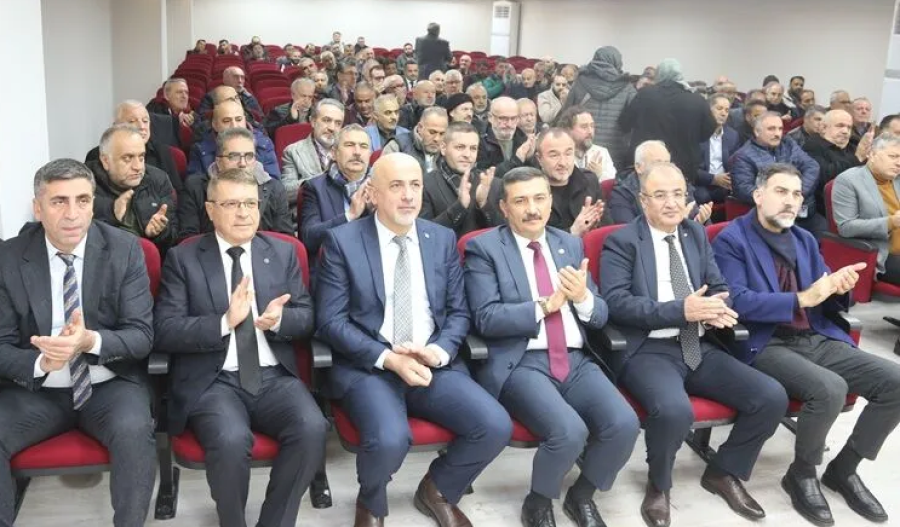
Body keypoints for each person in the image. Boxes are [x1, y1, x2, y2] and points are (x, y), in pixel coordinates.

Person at [315, 153, 512, 527]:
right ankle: (371, 503)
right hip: (370, 366)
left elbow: (459, 312)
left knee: (494, 425)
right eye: (396, 186)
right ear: (373, 193)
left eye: (415, 185)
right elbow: (330, 321)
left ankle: (438, 489)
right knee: (390, 439)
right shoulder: (342, 242)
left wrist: (438, 351)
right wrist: (389, 359)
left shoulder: (440, 239)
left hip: (430, 363)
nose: (408, 195)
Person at [600, 162, 788, 527]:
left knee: (771, 397)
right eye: (660, 195)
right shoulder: (623, 241)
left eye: (678, 194)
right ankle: (659, 485)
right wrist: (681, 310)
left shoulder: (695, 233)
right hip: (649, 349)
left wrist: (717, 307)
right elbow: (617, 303)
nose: (672, 203)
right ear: (643, 200)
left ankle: (723, 471)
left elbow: (718, 285)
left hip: (698, 344)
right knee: (675, 411)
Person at [712, 162, 900, 525]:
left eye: (797, 194)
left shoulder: (804, 240)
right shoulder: (732, 240)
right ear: (759, 195)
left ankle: (844, 469)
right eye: (781, 191)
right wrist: (801, 298)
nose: (790, 201)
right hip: (766, 342)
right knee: (829, 389)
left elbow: (821, 295)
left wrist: (837, 288)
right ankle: (801, 473)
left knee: (895, 381)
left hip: (814, 335)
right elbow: (736, 300)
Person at [463, 167, 640, 527]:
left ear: (549, 202)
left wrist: (583, 297)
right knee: (568, 432)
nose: (532, 209)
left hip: (575, 360)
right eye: (521, 201)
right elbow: (485, 318)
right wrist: (545, 305)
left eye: (539, 198)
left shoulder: (569, 244)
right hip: (521, 362)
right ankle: (539, 501)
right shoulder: (484, 249)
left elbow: (600, 315)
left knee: (624, 424)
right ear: (504, 208)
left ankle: (582, 495)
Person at [154, 167, 328, 527]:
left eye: (250, 203)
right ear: (210, 209)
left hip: (274, 377)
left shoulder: (282, 253)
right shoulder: (184, 258)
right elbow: (165, 329)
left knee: (312, 427)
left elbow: (307, 317)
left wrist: (278, 321)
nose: (244, 213)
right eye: (232, 204)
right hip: (213, 381)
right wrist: (223, 322)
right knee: (231, 440)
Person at [0, 159, 157, 527]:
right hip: (37, 390)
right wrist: (41, 363)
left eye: (82, 200)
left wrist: (90, 340)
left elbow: (141, 335)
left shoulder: (125, 249)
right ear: (38, 208)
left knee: (134, 432)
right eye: (59, 201)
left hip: (109, 384)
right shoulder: (8, 258)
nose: (72, 214)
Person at [180, 127, 292, 238]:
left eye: (249, 156)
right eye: (234, 156)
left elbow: (285, 239)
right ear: (218, 162)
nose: (242, 163)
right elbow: (188, 238)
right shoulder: (195, 187)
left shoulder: (274, 188)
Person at [619, 59, 716, 184]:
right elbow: (709, 128)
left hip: (647, 164)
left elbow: (625, 123)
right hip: (683, 167)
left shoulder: (645, 94)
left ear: (659, 74)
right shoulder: (697, 100)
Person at [87, 125, 178, 252]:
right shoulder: (84, 184)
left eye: (141, 157)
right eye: (127, 159)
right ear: (106, 161)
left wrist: (159, 233)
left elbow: (173, 239)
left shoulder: (158, 179)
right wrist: (111, 212)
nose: (138, 167)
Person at [731, 112, 825, 235]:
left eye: (780, 129)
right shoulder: (743, 156)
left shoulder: (788, 143)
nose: (777, 133)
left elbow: (812, 166)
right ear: (757, 132)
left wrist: (798, 193)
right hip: (774, 216)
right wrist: (781, 199)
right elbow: (744, 189)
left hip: (805, 211)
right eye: (771, 129)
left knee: (826, 237)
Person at [832, 133, 900, 285]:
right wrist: (891, 222)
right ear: (872, 154)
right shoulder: (848, 180)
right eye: (893, 156)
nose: (899, 163)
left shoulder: (898, 179)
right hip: (885, 253)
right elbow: (845, 227)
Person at [299, 124, 372, 260]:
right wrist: (350, 215)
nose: (357, 152)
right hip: (332, 264)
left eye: (363, 146)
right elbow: (309, 239)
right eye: (349, 145)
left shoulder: (381, 186)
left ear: (370, 154)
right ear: (333, 153)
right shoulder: (315, 187)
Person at [420, 122, 503, 237]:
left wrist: (483, 204)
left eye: (473, 148)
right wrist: (459, 207)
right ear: (443, 148)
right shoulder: (425, 184)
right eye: (460, 147)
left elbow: (506, 233)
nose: (467, 154)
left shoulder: (493, 184)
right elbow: (425, 235)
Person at [86, 100, 183, 195]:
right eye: (132, 121)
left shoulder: (163, 153)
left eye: (145, 121)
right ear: (116, 126)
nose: (142, 126)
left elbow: (175, 194)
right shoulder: (98, 154)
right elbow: (91, 194)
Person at [563, 46, 636, 169]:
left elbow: (566, 115)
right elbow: (632, 121)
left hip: (582, 146)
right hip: (615, 149)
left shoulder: (580, 82)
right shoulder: (627, 88)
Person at [534, 128, 605, 237]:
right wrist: (573, 232)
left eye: (568, 154)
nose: (563, 163)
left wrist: (596, 226)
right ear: (539, 159)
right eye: (554, 155)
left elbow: (608, 229)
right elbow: (531, 238)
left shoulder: (589, 180)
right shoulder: (529, 189)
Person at [188, 100, 280, 178]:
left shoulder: (264, 144)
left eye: (239, 120)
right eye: (227, 121)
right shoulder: (200, 150)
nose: (234, 125)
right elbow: (195, 187)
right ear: (214, 125)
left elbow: (273, 184)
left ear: (245, 121)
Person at [803, 109, 870, 214]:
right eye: (840, 126)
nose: (845, 131)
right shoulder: (812, 146)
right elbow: (825, 176)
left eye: (849, 127)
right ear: (823, 128)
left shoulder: (853, 145)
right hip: (828, 208)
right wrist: (857, 158)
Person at [281, 98, 344, 201]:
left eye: (338, 123)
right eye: (327, 120)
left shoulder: (347, 151)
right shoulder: (293, 151)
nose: (332, 128)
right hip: (310, 206)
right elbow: (286, 192)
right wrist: (324, 178)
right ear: (313, 121)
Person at [696, 94, 740, 204]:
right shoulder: (695, 133)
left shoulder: (732, 135)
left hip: (724, 183)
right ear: (708, 110)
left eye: (727, 110)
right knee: (702, 197)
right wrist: (713, 179)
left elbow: (736, 163)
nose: (723, 113)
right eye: (719, 108)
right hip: (700, 183)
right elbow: (690, 168)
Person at [554, 106, 616, 181]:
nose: (590, 131)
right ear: (568, 130)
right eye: (584, 126)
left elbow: (611, 182)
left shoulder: (602, 152)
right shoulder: (557, 154)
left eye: (592, 126)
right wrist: (588, 176)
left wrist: (599, 175)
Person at [384, 106, 448, 174]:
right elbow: (383, 175)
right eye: (432, 132)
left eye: (442, 134)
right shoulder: (397, 146)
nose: (437, 139)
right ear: (420, 127)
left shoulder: (448, 151)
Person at [477, 96, 533, 174]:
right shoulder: (479, 140)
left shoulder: (523, 140)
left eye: (513, 118)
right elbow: (481, 175)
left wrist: (530, 158)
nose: (509, 124)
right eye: (503, 118)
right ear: (490, 117)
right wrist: (516, 160)